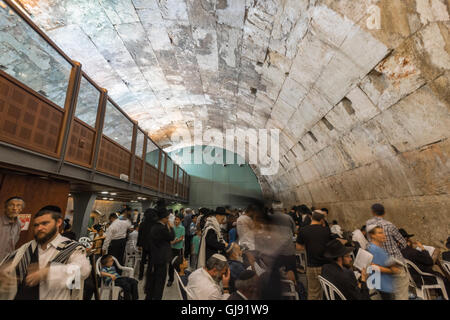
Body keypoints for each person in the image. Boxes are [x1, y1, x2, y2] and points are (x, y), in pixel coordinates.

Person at [0, 205, 91, 300]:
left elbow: (82, 270)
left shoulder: (72, 248)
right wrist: (4, 274)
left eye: (45, 223)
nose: (39, 228)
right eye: (36, 225)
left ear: (58, 222)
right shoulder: (27, 247)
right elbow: (7, 266)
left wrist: (47, 272)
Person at [366, 203, 408, 300]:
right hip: (394, 262)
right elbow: (403, 244)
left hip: (379, 265)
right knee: (401, 293)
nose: (383, 235)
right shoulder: (389, 225)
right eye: (380, 233)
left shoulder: (369, 224)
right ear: (384, 212)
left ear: (372, 212)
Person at [296, 210, 336, 300]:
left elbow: (298, 247)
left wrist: (309, 246)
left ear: (311, 217)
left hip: (312, 266)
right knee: (327, 293)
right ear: (322, 220)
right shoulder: (326, 230)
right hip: (326, 266)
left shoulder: (303, 230)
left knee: (313, 293)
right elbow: (330, 244)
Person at [399, 229, 450, 295]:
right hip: (426, 279)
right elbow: (430, 262)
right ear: (406, 239)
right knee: (444, 280)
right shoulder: (412, 252)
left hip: (415, 282)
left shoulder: (399, 254)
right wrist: (422, 248)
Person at [146, 207, 174, 300]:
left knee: (153, 280)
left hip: (155, 257)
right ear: (163, 218)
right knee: (160, 281)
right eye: (167, 218)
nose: (168, 220)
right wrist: (171, 228)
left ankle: (150, 296)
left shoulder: (154, 227)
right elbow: (171, 237)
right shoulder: (162, 228)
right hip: (161, 258)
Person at [366, 225, 401, 300]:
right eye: (380, 233)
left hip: (382, 286)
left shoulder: (373, 247)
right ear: (372, 235)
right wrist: (394, 270)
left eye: (383, 232)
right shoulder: (375, 249)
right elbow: (372, 267)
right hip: (385, 287)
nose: (383, 235)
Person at [1, 197, 25, 262]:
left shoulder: (19, 225)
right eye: (11, 205)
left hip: (5, 262)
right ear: (5, 208)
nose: (14, 208)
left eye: (18, 205)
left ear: (21, 209)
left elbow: (13, 244)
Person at [167, 214, 185, 287]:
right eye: (175, 219)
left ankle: (180, 280)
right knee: (171, 265)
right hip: (171, 248)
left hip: (178, 248)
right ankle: (170, 280)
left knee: (178, 265)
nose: (176, 221)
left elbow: (182, 237)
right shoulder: (172, 227)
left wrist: (175, 241)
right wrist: (171, 242)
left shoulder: (182, 228)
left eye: (177, 219)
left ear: (180, 221)